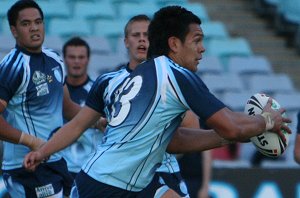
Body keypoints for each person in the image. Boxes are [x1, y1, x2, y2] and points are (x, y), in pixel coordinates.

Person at [24, 5, 291, 198]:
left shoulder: (131, 77)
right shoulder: (177, 76)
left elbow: (173, 140)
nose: (203, 49)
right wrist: (266, 121)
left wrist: (42, 152)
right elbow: (230, 126)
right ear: (174, 44)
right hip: (108, 187)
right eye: (197, 40)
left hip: (116, 181)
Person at [0, 1, 81, 197]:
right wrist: (30, 141)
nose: (34, 28)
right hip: (26, 168)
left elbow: (67, 107)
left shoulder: (54, 58)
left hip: (57, 161)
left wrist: (97, 121)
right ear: (14, 30)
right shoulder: (12, 68)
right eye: (26, 24)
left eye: (38, 22)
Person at [61, 37, 103, 178]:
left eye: (81, 57)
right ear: (64, 59)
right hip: (59, 167)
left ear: (88, 59)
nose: (77, 61)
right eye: (72, 57)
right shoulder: (54, 92)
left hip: (89, 169)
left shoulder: (98, 91)